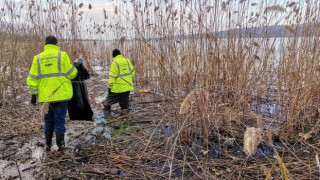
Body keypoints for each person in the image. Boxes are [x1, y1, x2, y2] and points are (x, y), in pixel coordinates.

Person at [26, 35, 78, 151]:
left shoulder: (37, 58)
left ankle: (48, 144)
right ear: (56, 44)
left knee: (48, 121)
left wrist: (33, 94)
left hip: (46, 97)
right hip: (61, 95)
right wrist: (76, 67)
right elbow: (71, 74)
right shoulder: (62, 55)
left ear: (45, 44)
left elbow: (31, 78)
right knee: (59, 120)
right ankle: (60, 145)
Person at [103, 49, 135, 118]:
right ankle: (125, 111)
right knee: (124, 100)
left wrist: (109, 87)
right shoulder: (127, 60)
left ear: (113, 56)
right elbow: (133, 72)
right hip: (128, 86)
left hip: (118, 87)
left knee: (109, 100)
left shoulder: (114, 63)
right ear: (120, 54)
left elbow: (112, 77)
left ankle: (106, 111)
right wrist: (128, 79)